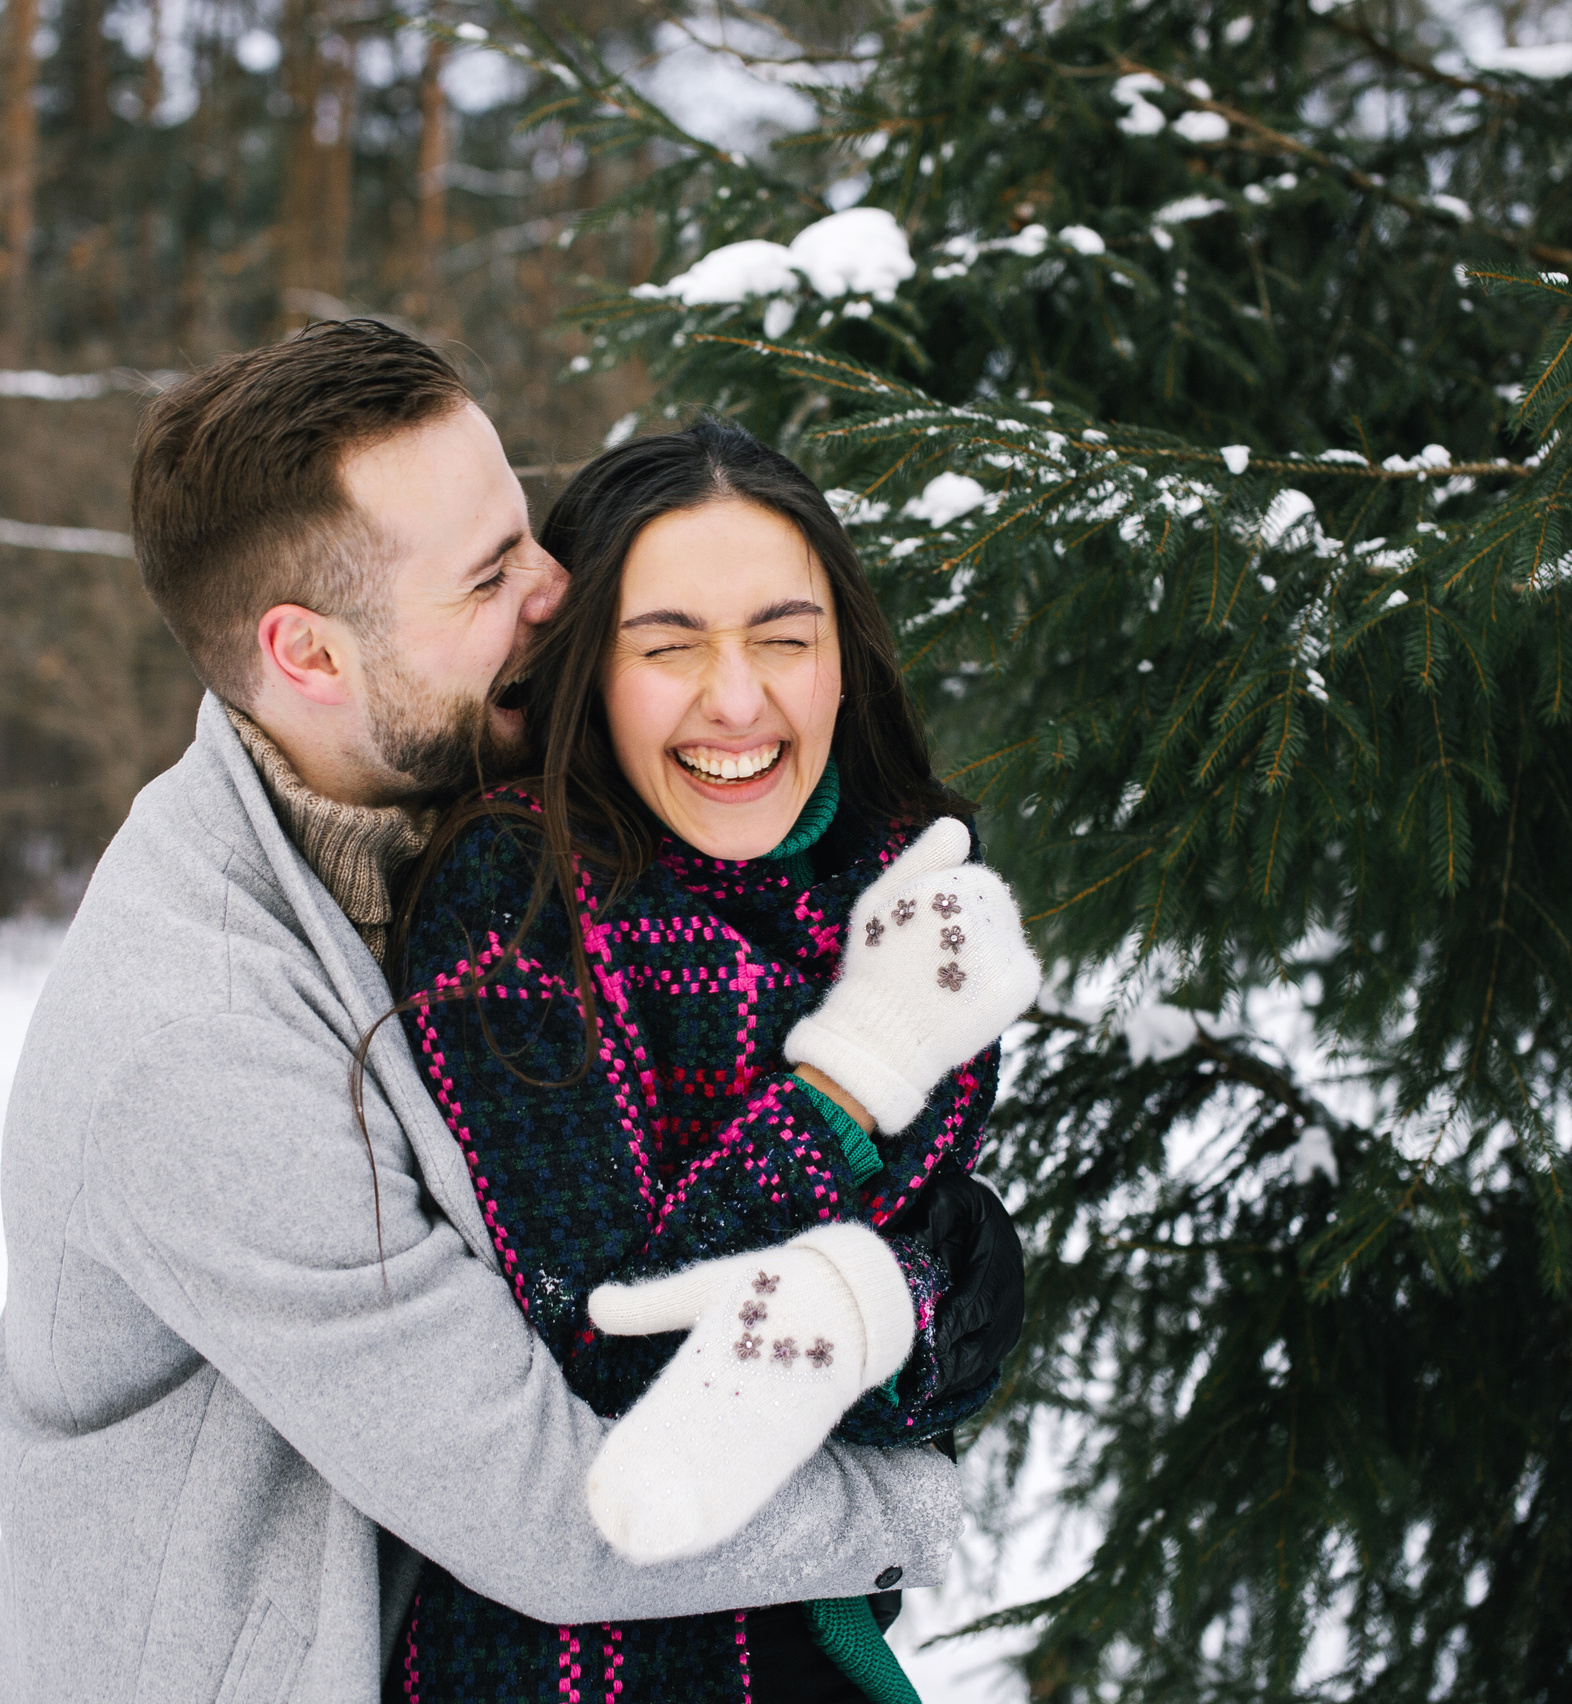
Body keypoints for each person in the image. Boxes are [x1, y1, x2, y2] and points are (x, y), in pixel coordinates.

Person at [0, 322, 1019, 1704]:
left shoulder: (474, 822)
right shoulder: (195, 1045)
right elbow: (556, 1511)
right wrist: (909, 1505)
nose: (553, 590)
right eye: (489, 575)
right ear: (309, 655)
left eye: (527, 531)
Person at [385, 422, 1040, 1703]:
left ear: (842, 663)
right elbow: (611, 1358)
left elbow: (944, 1328)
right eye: (667, 644)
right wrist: (852, 1079)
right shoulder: (515, 895)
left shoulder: (901, 891)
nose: (736, 701)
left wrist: (890, 1316)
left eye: (783, 640)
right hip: (568, 1665)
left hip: (816, 1637)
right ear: (586, 670)